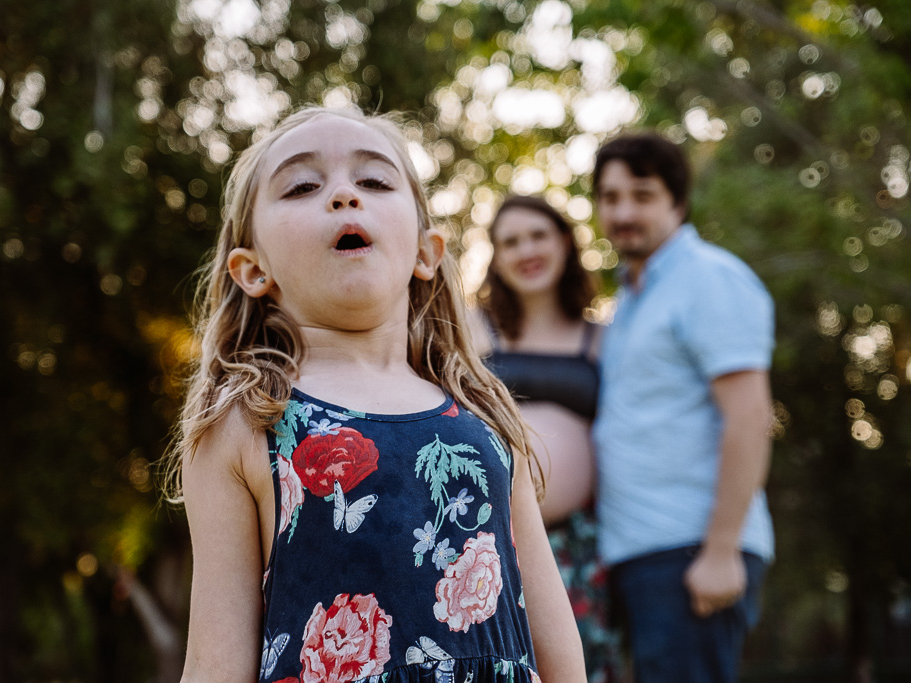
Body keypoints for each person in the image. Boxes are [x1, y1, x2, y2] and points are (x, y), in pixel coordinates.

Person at [164, 106, 586, 683]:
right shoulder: (246, 420)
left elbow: (556, 642)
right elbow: (215, 661)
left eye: (374, 181)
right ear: (252, 268)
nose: (343, 195)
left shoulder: (481, 411)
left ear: (425, 252)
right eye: (303, 186)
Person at [591, 132, 775, 683]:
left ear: (677, 201)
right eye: (610, 196)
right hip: (639, 554)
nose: (624, 211)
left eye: (642, 195)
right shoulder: (628, 299)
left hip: (691, 551)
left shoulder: (709, 278)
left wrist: (721, 552)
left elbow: (749, 418)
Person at [475, 195, 621, 683]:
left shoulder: (600, 338)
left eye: (538, 235)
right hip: (491, 538)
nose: (526, 250)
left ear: (564, 241)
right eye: (510, 241)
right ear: (495, 257)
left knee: (579, 665)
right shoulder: (474, 330)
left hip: (581, 543)